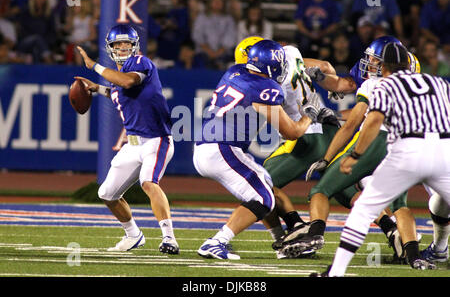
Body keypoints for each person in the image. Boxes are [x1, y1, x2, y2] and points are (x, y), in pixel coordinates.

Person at [313, 42, 450, 276]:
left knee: (364, 209)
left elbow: (374, 121)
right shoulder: (438, 82)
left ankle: (335, 272)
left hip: (408, 151)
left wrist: (355, 155)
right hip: (443, 152)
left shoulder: (384, 85)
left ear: (384, 66)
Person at [193, 39, 323, 260]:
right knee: (263, 199)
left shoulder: (234, 71)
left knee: (265, 185)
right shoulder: (265, 88)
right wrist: (310, 114)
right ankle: (216, 242)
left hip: (211, 146)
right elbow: (291, 132)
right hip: (223, 149)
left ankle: (281, 239)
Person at [75, 24, 179, 254]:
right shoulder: (116, 78)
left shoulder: (141, 63)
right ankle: (133, 235)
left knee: (149, 182)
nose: (122, 48)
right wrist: (98, 89)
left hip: (156, 139)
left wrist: (95, 67)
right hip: (132, 145)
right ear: (110, 48)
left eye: (126, 43)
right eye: (117, 44)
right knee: (106, 193)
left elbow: (129, 82)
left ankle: (169, 238)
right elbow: (120, 92)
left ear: (135, 46)